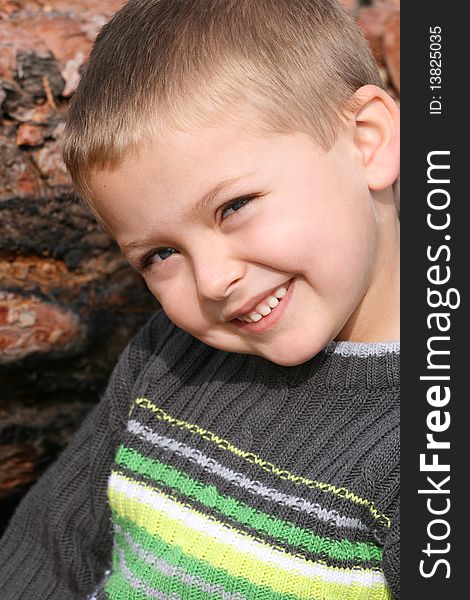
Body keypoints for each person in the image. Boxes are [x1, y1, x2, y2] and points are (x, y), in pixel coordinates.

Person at [0, 1, 400, 598]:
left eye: (232, 207)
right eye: (160, 255)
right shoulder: (170, 358)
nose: (211, 281)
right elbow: (48, 545)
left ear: (366, 142)